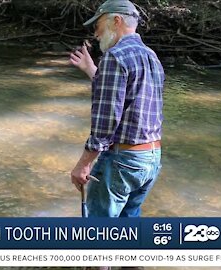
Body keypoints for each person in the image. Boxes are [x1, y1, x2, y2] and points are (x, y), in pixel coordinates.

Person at [70, 0, 165, 217]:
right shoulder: (151, 56)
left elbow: (106, 122)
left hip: (124, 161)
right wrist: (91, 69)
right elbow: (129, 98)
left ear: (116, 20)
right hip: (150, 159)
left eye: (98, 25)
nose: (95, 34)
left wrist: (83, 165)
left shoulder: (115, 56)